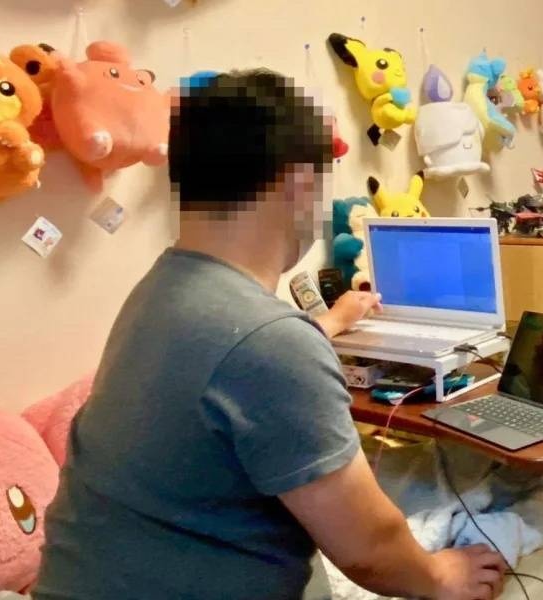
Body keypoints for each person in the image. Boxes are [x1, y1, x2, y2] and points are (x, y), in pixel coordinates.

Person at [33, 70, 506, 600]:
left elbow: (235, 369)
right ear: (300, 183)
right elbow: (370, 552)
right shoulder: (268, 343)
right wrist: (442, 575)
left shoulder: (161, 290)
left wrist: (327, 326)